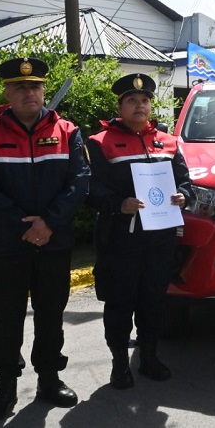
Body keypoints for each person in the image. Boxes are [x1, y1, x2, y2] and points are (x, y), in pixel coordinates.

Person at [0, 57, 90, 422]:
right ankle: (4, 386)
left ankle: (49, 379)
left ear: (43, 91)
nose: (29, 92)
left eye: (35, 86)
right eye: (20, 87)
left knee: (51, 316)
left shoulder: (68, 130)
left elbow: (79, 181)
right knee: (5, 319)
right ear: (7, 92)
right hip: (8, 244)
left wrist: (48, 224)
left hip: (53, 242)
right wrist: (26, 226)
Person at [86, 74, 193, 389]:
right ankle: (120, 364)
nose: (139, 105)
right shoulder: (99, 142)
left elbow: (185, 181)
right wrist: (118, 204)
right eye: (132, 101)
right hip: (121, 238)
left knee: (154, 300)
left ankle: (149, 357)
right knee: (120, 302)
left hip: (159, 238)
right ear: (120, 106)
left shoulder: (169, 141)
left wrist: (185, 196)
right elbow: (90, 188)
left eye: (144, 100)